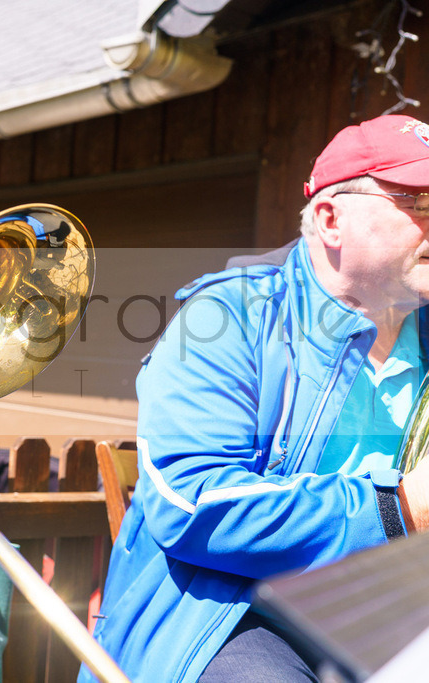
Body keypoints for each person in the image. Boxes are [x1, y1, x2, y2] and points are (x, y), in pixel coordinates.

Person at [81, 114, 429, 682]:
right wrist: (400, 510)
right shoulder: (226, 317)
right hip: (229, 611)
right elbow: (192, 503)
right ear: (331, 218)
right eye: (420, 203)